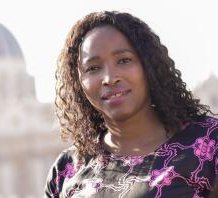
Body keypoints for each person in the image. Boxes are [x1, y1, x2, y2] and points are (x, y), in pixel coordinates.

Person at [44, 11, 218, 198]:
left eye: (124, 60)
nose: (110, 78)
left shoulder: (210, 144)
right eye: (93, 68)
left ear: (149, 66)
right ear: (79, 82)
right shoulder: (66, 169)